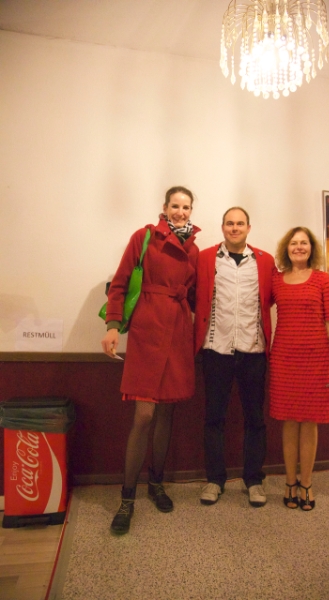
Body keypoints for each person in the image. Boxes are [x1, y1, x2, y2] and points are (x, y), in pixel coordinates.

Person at [101, 186, 200, 534]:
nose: (180, 212)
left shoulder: (194, 249)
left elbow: (195, 295)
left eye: (186, 207)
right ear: (165, 207)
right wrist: (113, 326)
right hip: (147, 331)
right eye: (175, 205)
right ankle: (127, 498)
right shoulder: (143, 237)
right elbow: (120, 284)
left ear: (191, 211)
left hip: (177, 332)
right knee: (144, 415)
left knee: (166, 414)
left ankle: (156, 484)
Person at [194, 207, 275, 507]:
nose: (235, 228)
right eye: (230, 223)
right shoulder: (206, 258)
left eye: (240, 223)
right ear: (223, 227)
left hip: (254, 351)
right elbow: (193, 295)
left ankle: (253, 480)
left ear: (248, 228)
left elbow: (274, 297)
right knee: (214, 417)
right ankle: (215, 480)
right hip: (216, 349)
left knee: (255, 419)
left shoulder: (265, 260)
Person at [269, 226, 329, 511]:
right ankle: (290, 482)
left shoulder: (322, 280)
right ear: (286, 248)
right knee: (289, 421)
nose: (299, 247)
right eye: (294, 243)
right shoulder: (276, 281)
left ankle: (306, 483)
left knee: (309, 422)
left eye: (303, 243)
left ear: (311, 248)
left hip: (316, 359)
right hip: (284, 359)